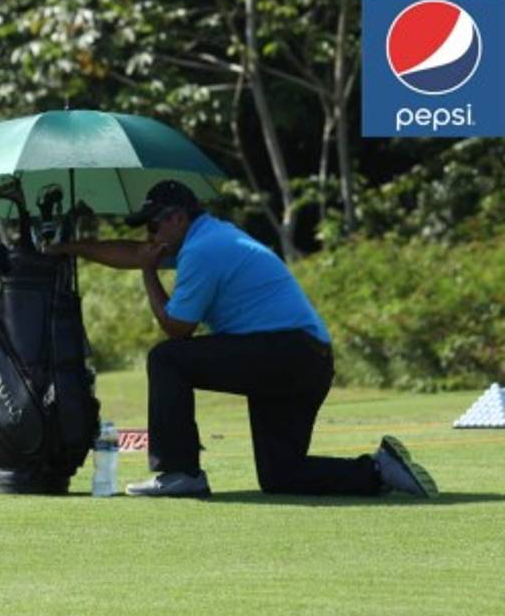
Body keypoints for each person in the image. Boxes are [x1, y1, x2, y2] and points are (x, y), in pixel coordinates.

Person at [47, 180, 437, 498]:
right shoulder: (210, 235)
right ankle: (378, 470)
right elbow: (134, 253)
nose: (150, 235)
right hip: (305, 358)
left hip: (285, 353)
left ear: (178, 218)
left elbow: (178, 328)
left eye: (153, 226)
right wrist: (70, 249)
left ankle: (180, 473)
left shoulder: (202, 251)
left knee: (167, 358)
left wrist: (149, 273)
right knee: (281, 475)